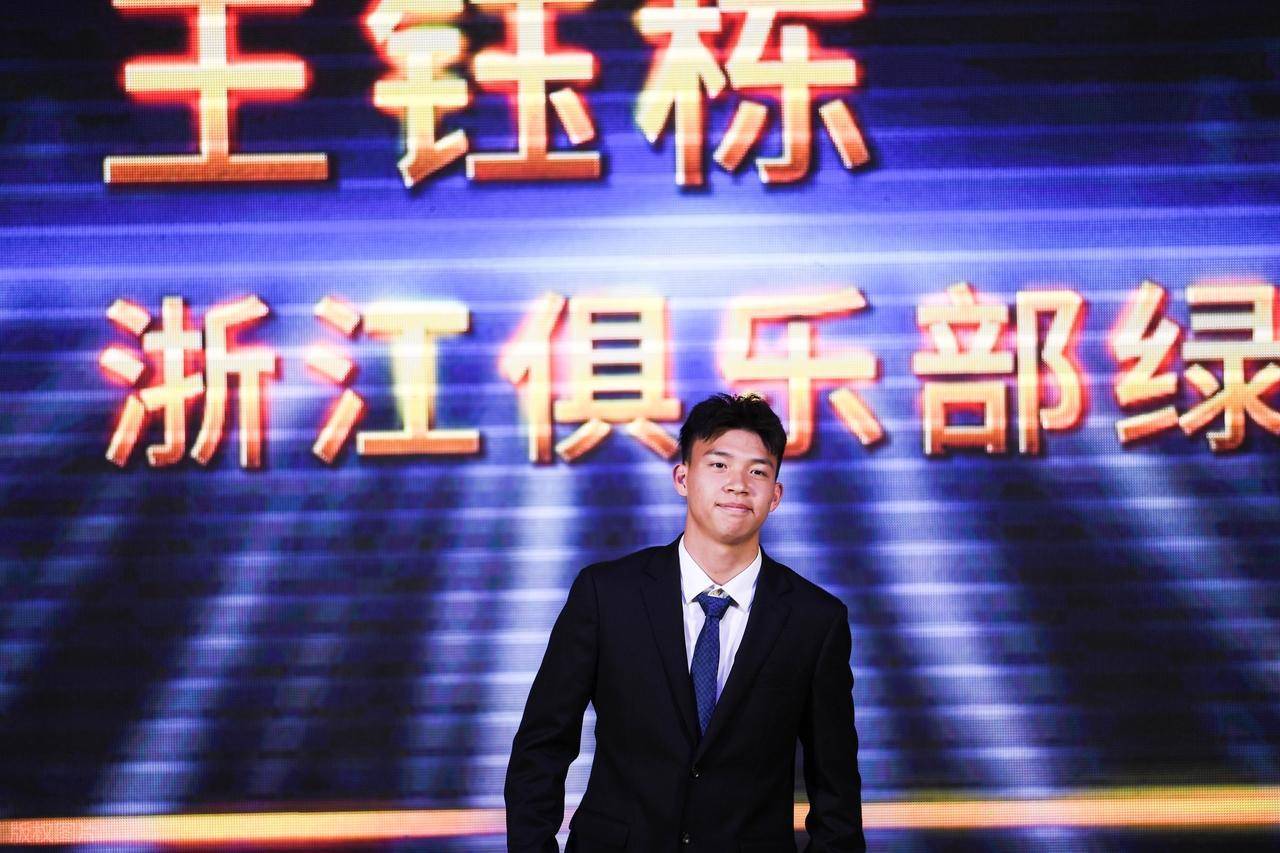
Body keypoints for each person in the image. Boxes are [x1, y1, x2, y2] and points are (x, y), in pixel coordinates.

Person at [505, 393, 864, 852]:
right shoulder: (607, 595)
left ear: (775, 495)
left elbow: (836, 789)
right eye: (719, 465)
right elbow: (541, 746)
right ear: (682, 478)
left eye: (757, 472)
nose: (738, 485)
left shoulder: (815, 620)